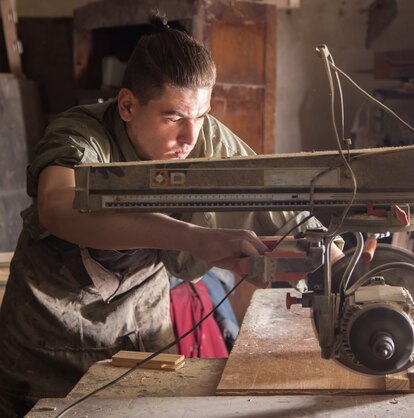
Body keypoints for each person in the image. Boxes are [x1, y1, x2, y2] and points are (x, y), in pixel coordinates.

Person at [0, 13, 328, 417]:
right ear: (127, 105)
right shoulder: (81, 135)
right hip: (47, 337)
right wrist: (191, 237)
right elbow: (56, 207)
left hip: (142, 332)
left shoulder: (201, 135)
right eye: (173, 117)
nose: (191, 137)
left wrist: (334, 257)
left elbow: (273, 197)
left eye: (201, 115)